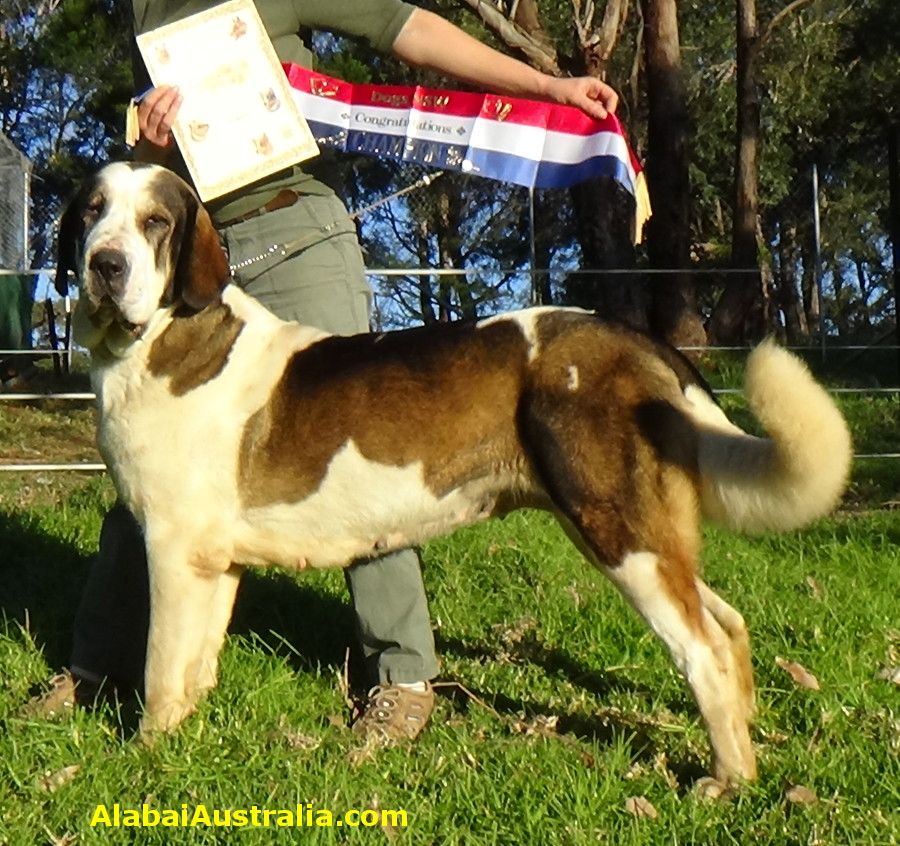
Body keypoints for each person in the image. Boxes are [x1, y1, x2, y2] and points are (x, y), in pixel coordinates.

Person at [30, 0, 618, 745]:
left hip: (293, 234)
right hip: (190, 254)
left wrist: (549, 86)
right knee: (148, 476)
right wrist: (147, 145)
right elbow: (160, 170)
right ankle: (98, 670)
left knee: (370, 453)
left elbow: (409, 31)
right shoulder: (145, 6)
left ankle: (401, 677)